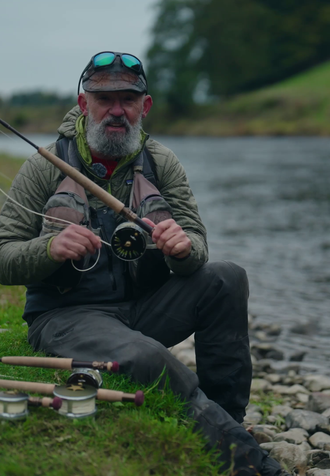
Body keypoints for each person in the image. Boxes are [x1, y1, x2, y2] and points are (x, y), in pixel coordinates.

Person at [0, 51, 287, 476]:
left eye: (128, 100)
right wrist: (49, 249)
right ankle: (246, 461)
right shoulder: (44, 165)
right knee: (146, 356)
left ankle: (226, 421)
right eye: (105, 99)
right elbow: (3, 254)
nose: (117, 111)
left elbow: (198, 245)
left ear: (144, 106)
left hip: (140, 311)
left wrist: (184, 249)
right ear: (84, 104)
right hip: (66, 318)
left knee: (227, 278)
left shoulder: (161, 162)